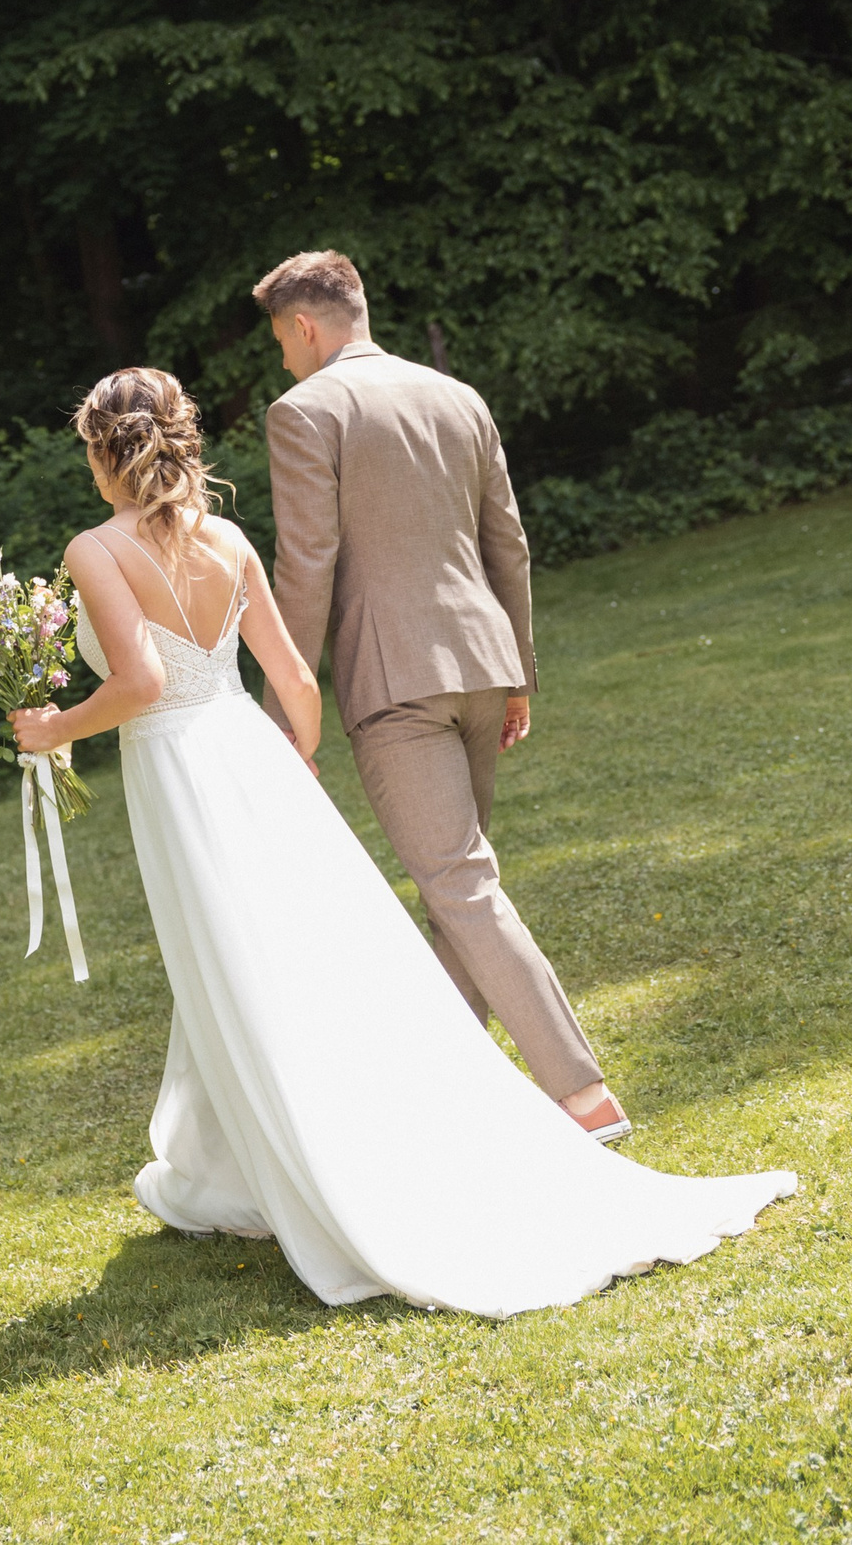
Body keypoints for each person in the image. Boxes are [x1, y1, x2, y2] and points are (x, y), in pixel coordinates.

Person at [9, 367, 792, 1318]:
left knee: (234, 957)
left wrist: (56, 729)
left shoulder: (94, 548)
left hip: (179, 769)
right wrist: (281, 775)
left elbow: (135, 681)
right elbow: (296, 681)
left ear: (102, 451)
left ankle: (310, 1167)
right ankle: (230, 1168)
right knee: (274, 960)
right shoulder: (227, 538)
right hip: (253, 758)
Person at [252, 250, 630, 1139]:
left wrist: (286, 717)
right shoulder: (457, 397)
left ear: (304, 327)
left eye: (279, 340)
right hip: (483, 665)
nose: (280, 361)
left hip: (397, 684)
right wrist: (519, 674)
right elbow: (512, 546)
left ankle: (583, 1095)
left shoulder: (303, 412)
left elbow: (305, 568)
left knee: (459, 885)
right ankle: (459, 1098)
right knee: (453, 886)